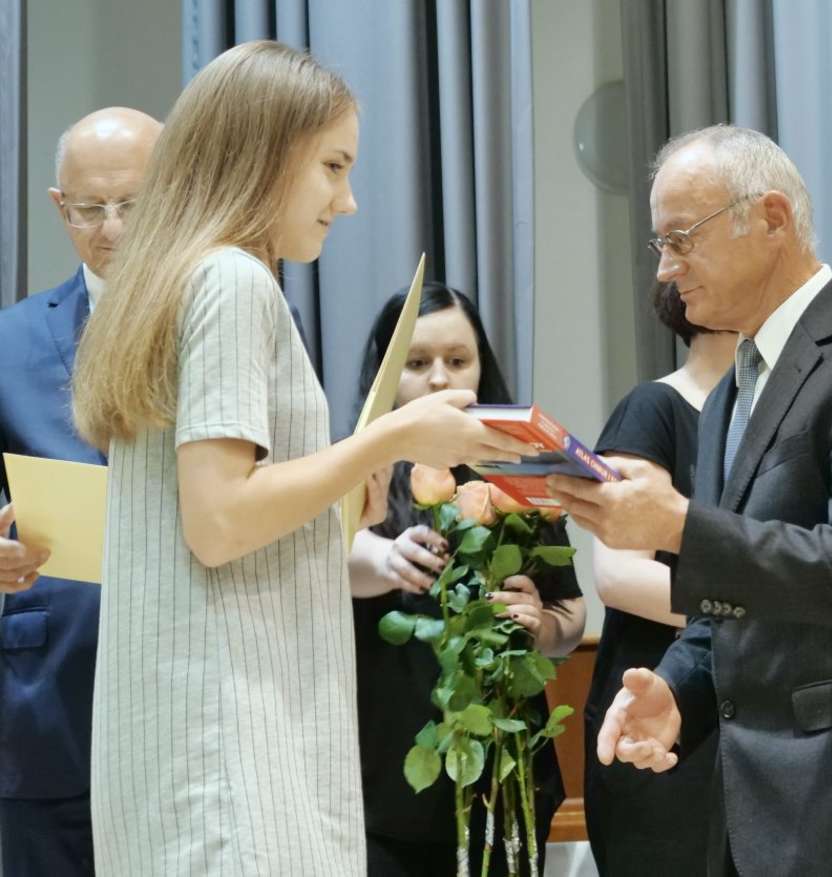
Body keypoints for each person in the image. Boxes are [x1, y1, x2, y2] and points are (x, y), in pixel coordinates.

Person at [69, 41, 532, 874]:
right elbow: (219, 520)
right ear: (266, 153)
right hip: (232, 741)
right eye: (332, 166)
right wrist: (389, 437)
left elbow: (222, 514)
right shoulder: (232, 281)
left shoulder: (175, 279)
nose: (347, 201)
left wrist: (346, 488)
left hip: (184, 737)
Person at [548, 124, 832, 875]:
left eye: (681, 238)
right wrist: (677, 689)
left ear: (773, 219)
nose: (665, 268)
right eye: (660, 244)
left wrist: (681, 525)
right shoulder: (731, 392)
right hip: (754, 816)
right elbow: (732, 604)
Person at [347, 283, 585, 876]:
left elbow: (571, 614)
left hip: (504, 778)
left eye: (457, 361)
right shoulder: (353, 463)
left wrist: (541, 626)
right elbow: (327, 563)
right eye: (416, 363)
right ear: (386, 374)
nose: (439, 379)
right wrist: (384, 558)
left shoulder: (519, 469)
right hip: (383, 781)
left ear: (482, 367)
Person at [0, 106, 161, 876]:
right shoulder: (9, 340)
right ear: (59, 205)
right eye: (90, 209)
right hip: (50, 693)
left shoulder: (234, 317)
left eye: (133, 203)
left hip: (190, 688)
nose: (114, 229)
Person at [582, 282, 735, 875]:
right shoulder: (653, 407)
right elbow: (618, 573)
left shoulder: (772, 420)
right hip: (654, 706)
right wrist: (750, 603)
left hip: (743, 711)